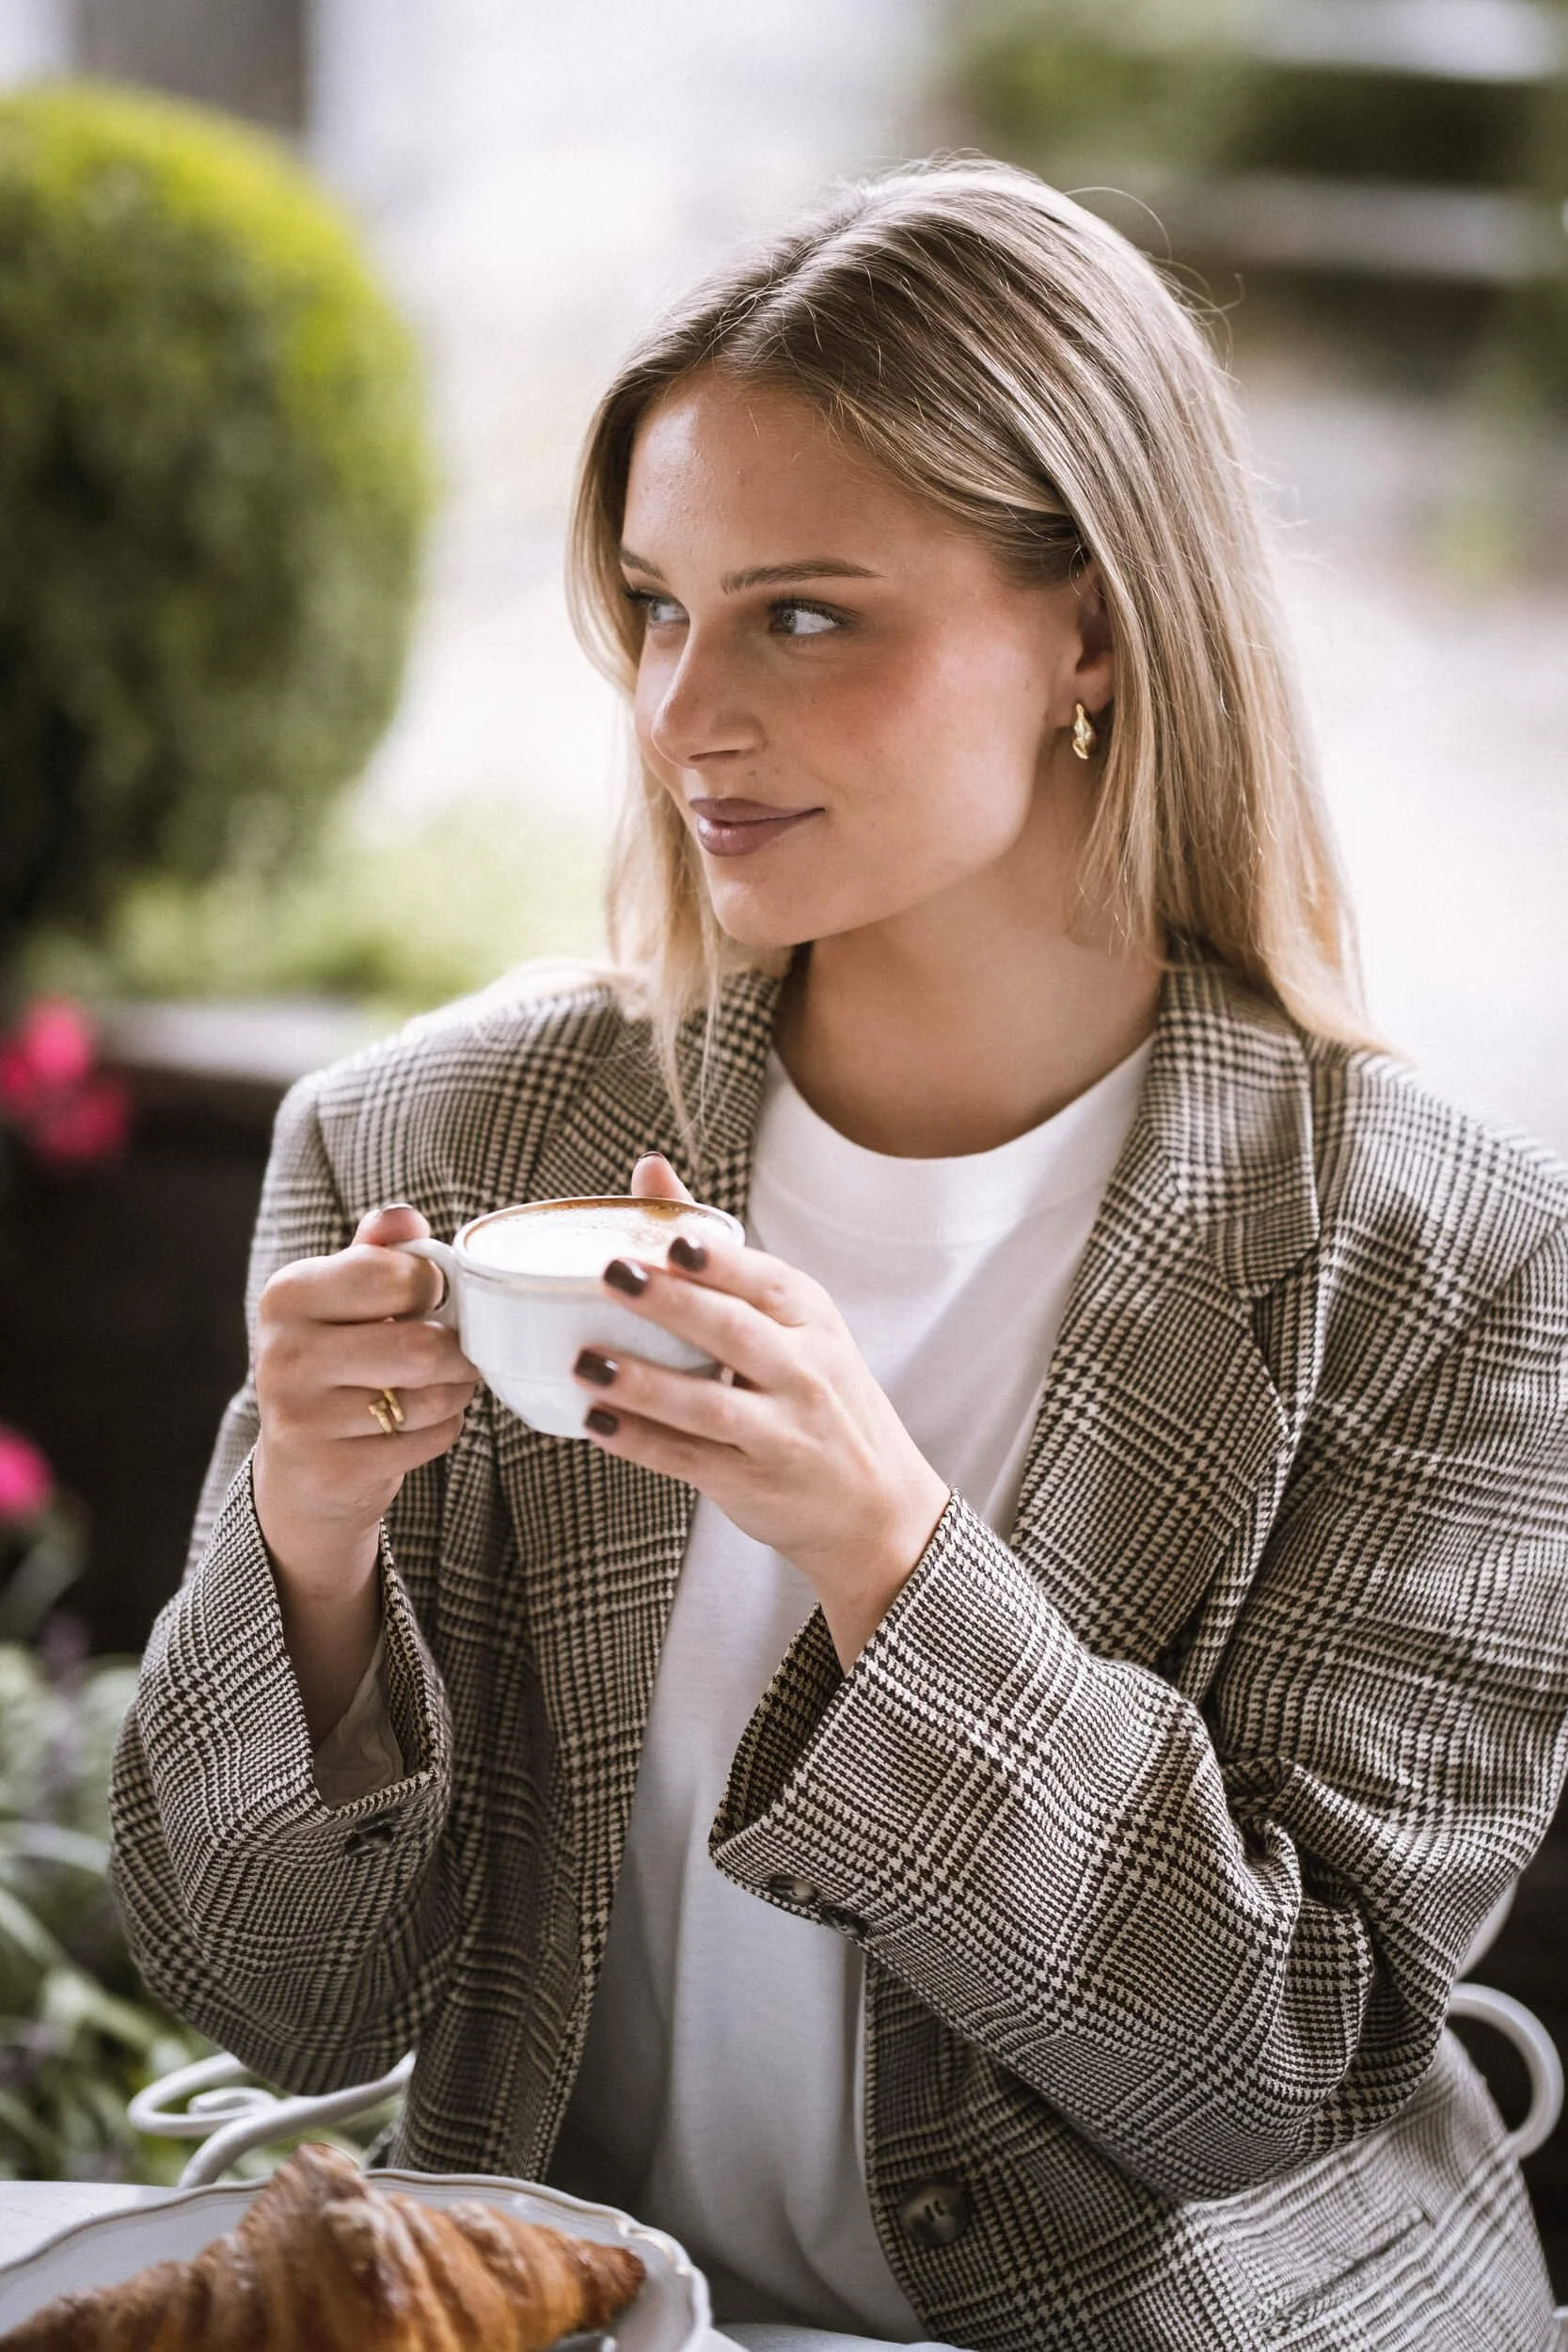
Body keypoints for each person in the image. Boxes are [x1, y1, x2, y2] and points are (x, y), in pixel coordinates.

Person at [110, 161, 1568, 2351]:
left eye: (806, 612)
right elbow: (268, 1988)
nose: (686, 712)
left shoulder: (1449, 1263)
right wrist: (306, 1551)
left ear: (1092, 626)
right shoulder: (425, 1145)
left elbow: (1262, 2060)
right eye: (657, 604)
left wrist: (890, 1552)